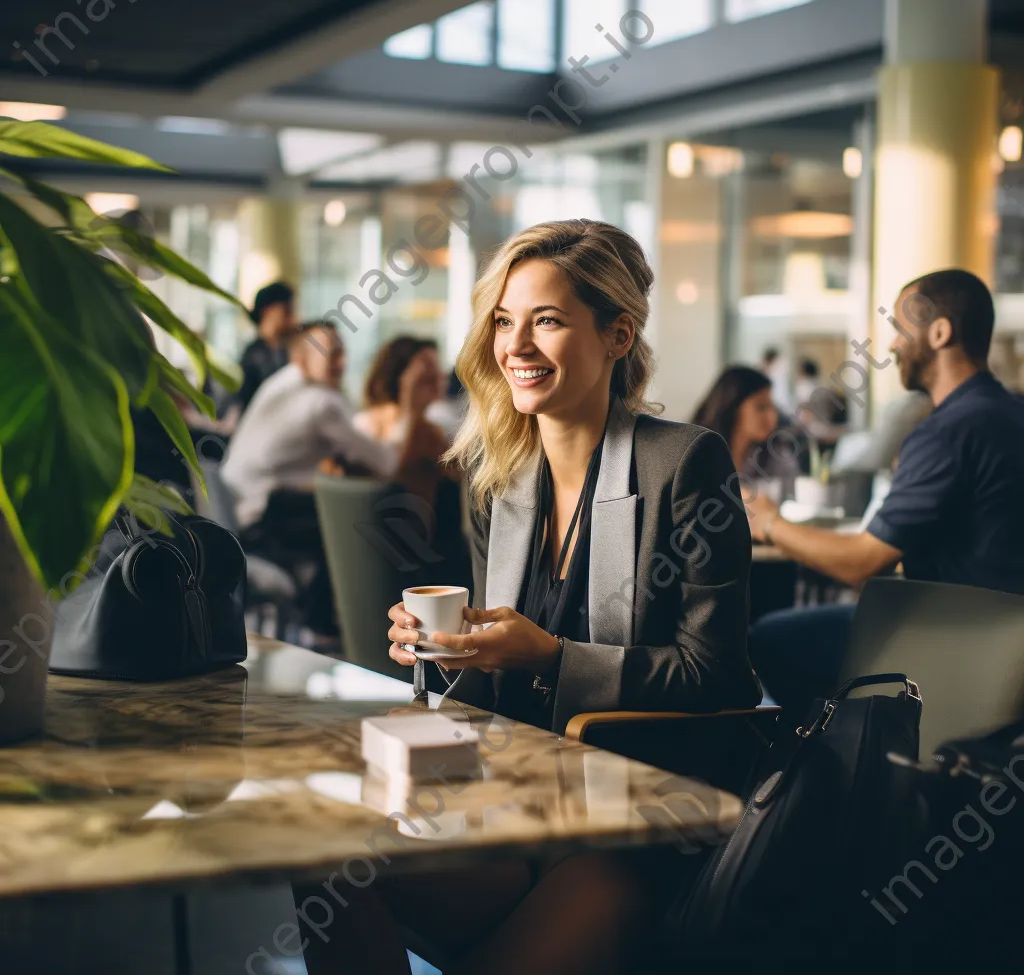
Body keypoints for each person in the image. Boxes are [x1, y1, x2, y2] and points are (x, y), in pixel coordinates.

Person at [294, 220, 761, 975]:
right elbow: (493, 677)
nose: (516, 346)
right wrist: (445, 650)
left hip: (637, 817)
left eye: (547, 321)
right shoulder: (500, 480)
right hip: (515, 801)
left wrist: (551, 654)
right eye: (504, 322)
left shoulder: (685, 462)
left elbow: (720, 676)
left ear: (618, 334)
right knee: (323, 857)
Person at [746, 268, 1024, 714]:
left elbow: (861, 562)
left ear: (939, 332)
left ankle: (855, 763)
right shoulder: (1010, 413)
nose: (892, 345)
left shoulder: (947, 431)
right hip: (1004, 636)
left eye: (898, 328)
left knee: (767, 639)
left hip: (952, 633)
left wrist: (767, 521)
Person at [221, 322, 436, 635]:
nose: (341, 363)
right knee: (366, 522)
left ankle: (328, 621)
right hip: (262, 516)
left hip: (236, 507)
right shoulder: (321, 403)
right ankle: (339, 627)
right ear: (302, 360)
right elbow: (388, 464)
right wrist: (409, 403)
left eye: (342, 353)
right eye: (331, 354)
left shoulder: (281, 383)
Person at [354, 336, 472, 589]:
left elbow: (461, 475)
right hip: (403, 549)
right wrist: (410, 406)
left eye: (438, 374)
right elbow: (390, 472)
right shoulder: (375, 424)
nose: (439, 382)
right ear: (400, 378)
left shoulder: (428, 428)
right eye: (426, 377)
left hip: (404, 546)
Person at [692, 365, 800, 500]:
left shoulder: (776, 454)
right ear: (731, 407)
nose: (772, 416)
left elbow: (793, 501)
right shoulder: (695, 454)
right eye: (761, 407)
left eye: (772, 407)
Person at [235, 281, 296, 413]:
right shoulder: (253, 356)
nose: (293, 319)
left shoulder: (290, 352)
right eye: (286, 311)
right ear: (267, 311)